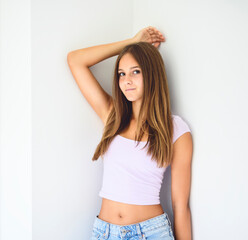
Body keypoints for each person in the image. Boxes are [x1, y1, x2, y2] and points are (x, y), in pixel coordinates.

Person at [67, 26, 193, 240]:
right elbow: (75, 60)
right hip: (104, 233)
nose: (126, 80)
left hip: (151, 233)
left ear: (152, 74)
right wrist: (130, 43)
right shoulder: (113, 116)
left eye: (136, 71)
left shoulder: (176, 130)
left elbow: (180, 207)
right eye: (121, 74)